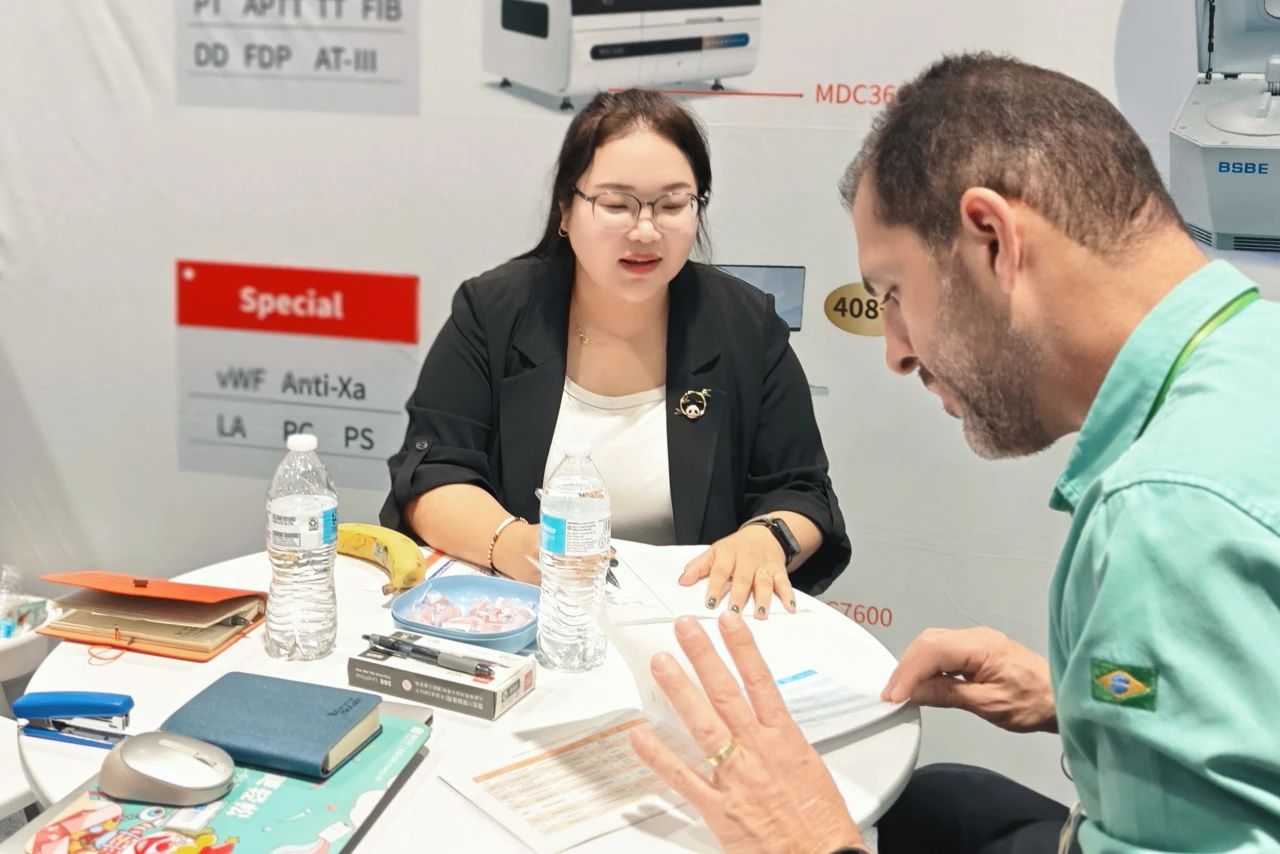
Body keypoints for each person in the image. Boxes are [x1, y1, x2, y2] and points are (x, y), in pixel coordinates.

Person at [628, 53, 1280, 852]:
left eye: (893, 294)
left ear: (993, 240)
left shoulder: (1168, 510)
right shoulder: (1253, 355)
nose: (896, 353)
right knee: (939, 805)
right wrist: (1075, 699)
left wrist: (810, 844)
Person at [381, 89, 850, 615]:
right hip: (525, 610)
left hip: (691, 618)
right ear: (566, 209)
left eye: (672, 205)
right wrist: (512, 544)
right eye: (616, 205)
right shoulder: (494, 312)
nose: (645, 230)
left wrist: (768, 537)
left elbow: (802, 491)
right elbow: (433, 472)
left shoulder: (745, 324)